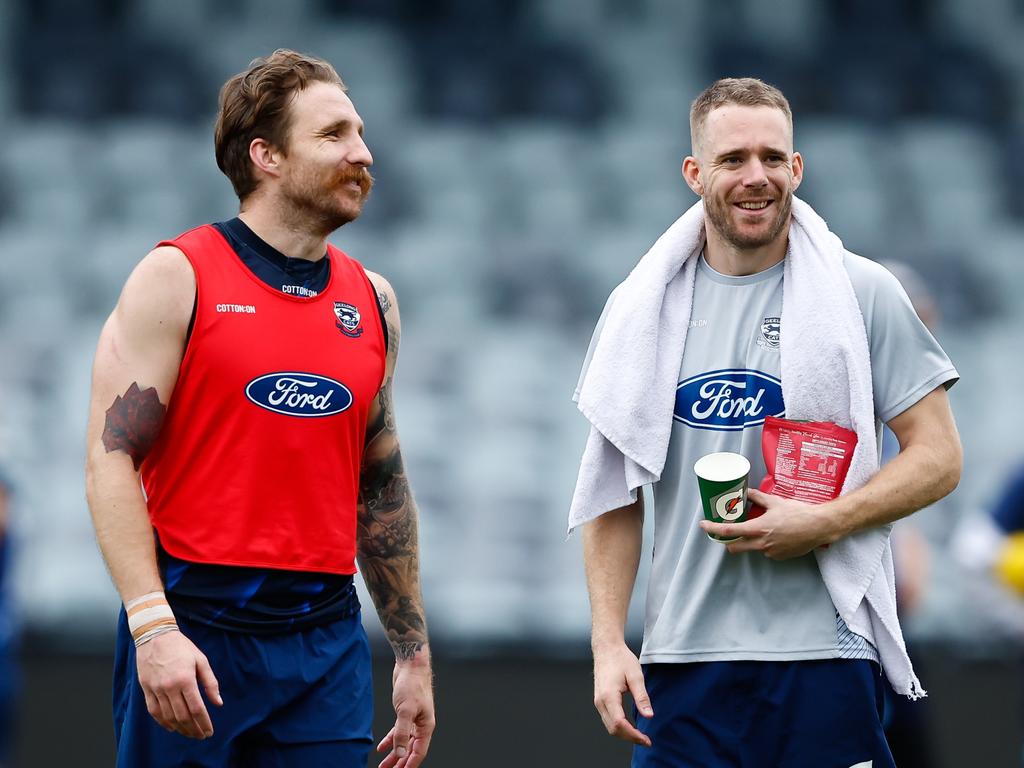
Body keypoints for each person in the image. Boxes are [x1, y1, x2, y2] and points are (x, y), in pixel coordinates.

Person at [571, 78, 962, 767]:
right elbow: (613, 489)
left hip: (827, 656)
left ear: (797, 168)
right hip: (684, 665)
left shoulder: (863, 293)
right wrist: (608, 642)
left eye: (772, 158)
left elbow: (939, 455)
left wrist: (828, 520)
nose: (756, 177)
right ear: (694, 174)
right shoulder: (640, 311)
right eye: (732, 160)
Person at [85, 49, 434, 768]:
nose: (363, 153)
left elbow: (382, 486)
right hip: (195, 634)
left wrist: (411, 653)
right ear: (266, 155)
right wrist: (154, 629)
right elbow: (110, 457)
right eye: (334, 134)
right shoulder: (177, 275)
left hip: (324, 645)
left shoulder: (374, 300)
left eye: (361, 132)